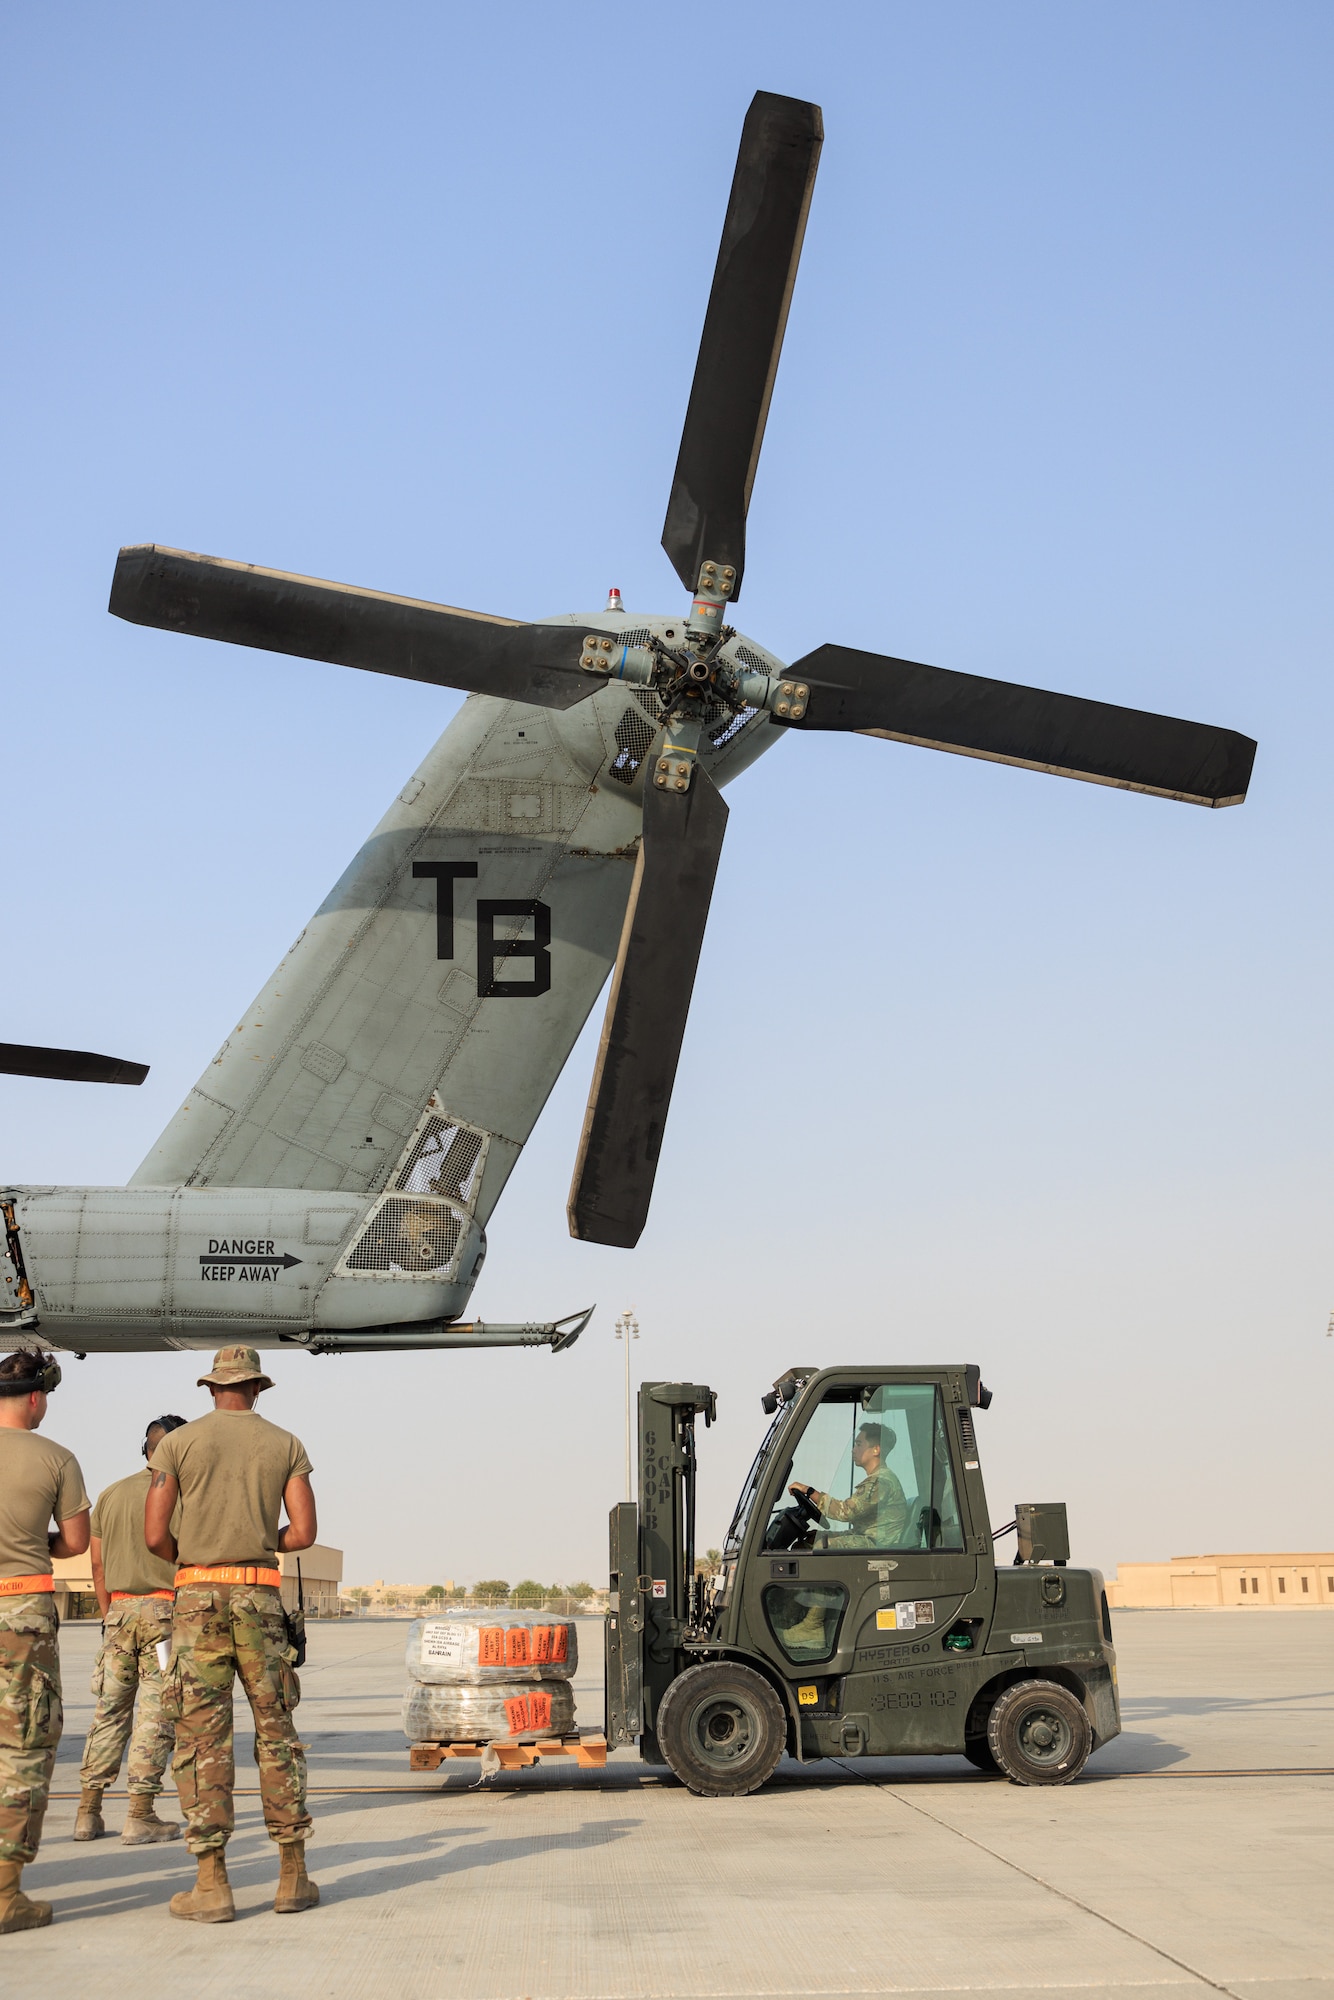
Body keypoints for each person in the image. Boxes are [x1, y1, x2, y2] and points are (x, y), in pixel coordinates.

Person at [144, 1345, 318, 1923]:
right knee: (276, 1731)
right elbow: (305, 1532)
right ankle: (292, 1876)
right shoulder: (286, 1443)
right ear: (258, 1388)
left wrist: (193, 1559)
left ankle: (212, 1884)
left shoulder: (176, 1444)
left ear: (211, 1388)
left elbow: (153, 1536)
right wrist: (260, 1539)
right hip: (258, 1597)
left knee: (200, 1738)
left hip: (196, 1598)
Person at [0, 1347, 90, 1936]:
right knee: (23, 1748)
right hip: (22, 1613)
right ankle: (6, 1894)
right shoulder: (56, 1457)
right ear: (36, 1397)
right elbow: (76, 1542)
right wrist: (35, 1542)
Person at [74, 1415, 188, 1846]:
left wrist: (109, 1616)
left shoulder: (111, 1494)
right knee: (156, 1713)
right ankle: (140, 1814)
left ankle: (88, 1813)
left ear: (146, 1449)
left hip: (118, 1614)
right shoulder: (184, 1495)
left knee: (109, 1711)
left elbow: (98, 1565)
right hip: (165, 1615)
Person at [791, 1422, 910, 1548]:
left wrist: (808, 1491)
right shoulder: (879, 1479)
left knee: (821, 1545)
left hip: (877, 1546)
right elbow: (858, 1529)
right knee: (813, 1539)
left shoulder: (880, 1482)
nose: (853, 1450)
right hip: (868, 1540)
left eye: (859, 1445)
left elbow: (846, 1511)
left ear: (876, 1449)